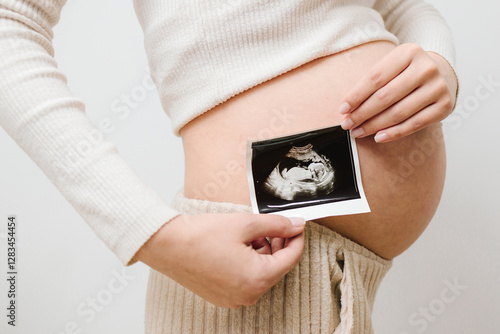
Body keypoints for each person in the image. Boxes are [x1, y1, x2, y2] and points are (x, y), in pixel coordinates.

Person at [0, 0, 458, 333]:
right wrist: (153, 234)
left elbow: (396, 5)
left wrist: (438, 58)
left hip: (354, 280)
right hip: (250, 262)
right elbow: (9, 23)